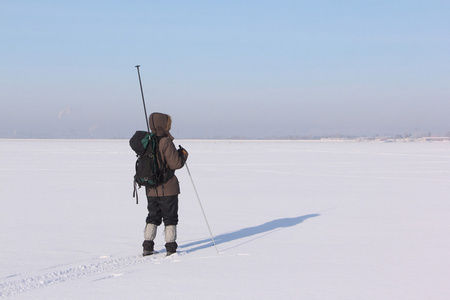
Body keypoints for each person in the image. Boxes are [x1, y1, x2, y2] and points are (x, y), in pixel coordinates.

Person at [142, 112, 188, 256]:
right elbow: (175, 163)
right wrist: (184, 155)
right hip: (168, 189)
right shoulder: (166, 142)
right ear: (163, 124)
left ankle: (147, 247)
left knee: (152, 216)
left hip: (151, 189)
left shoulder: (148, 141)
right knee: (170, 218)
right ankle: (171, 249)